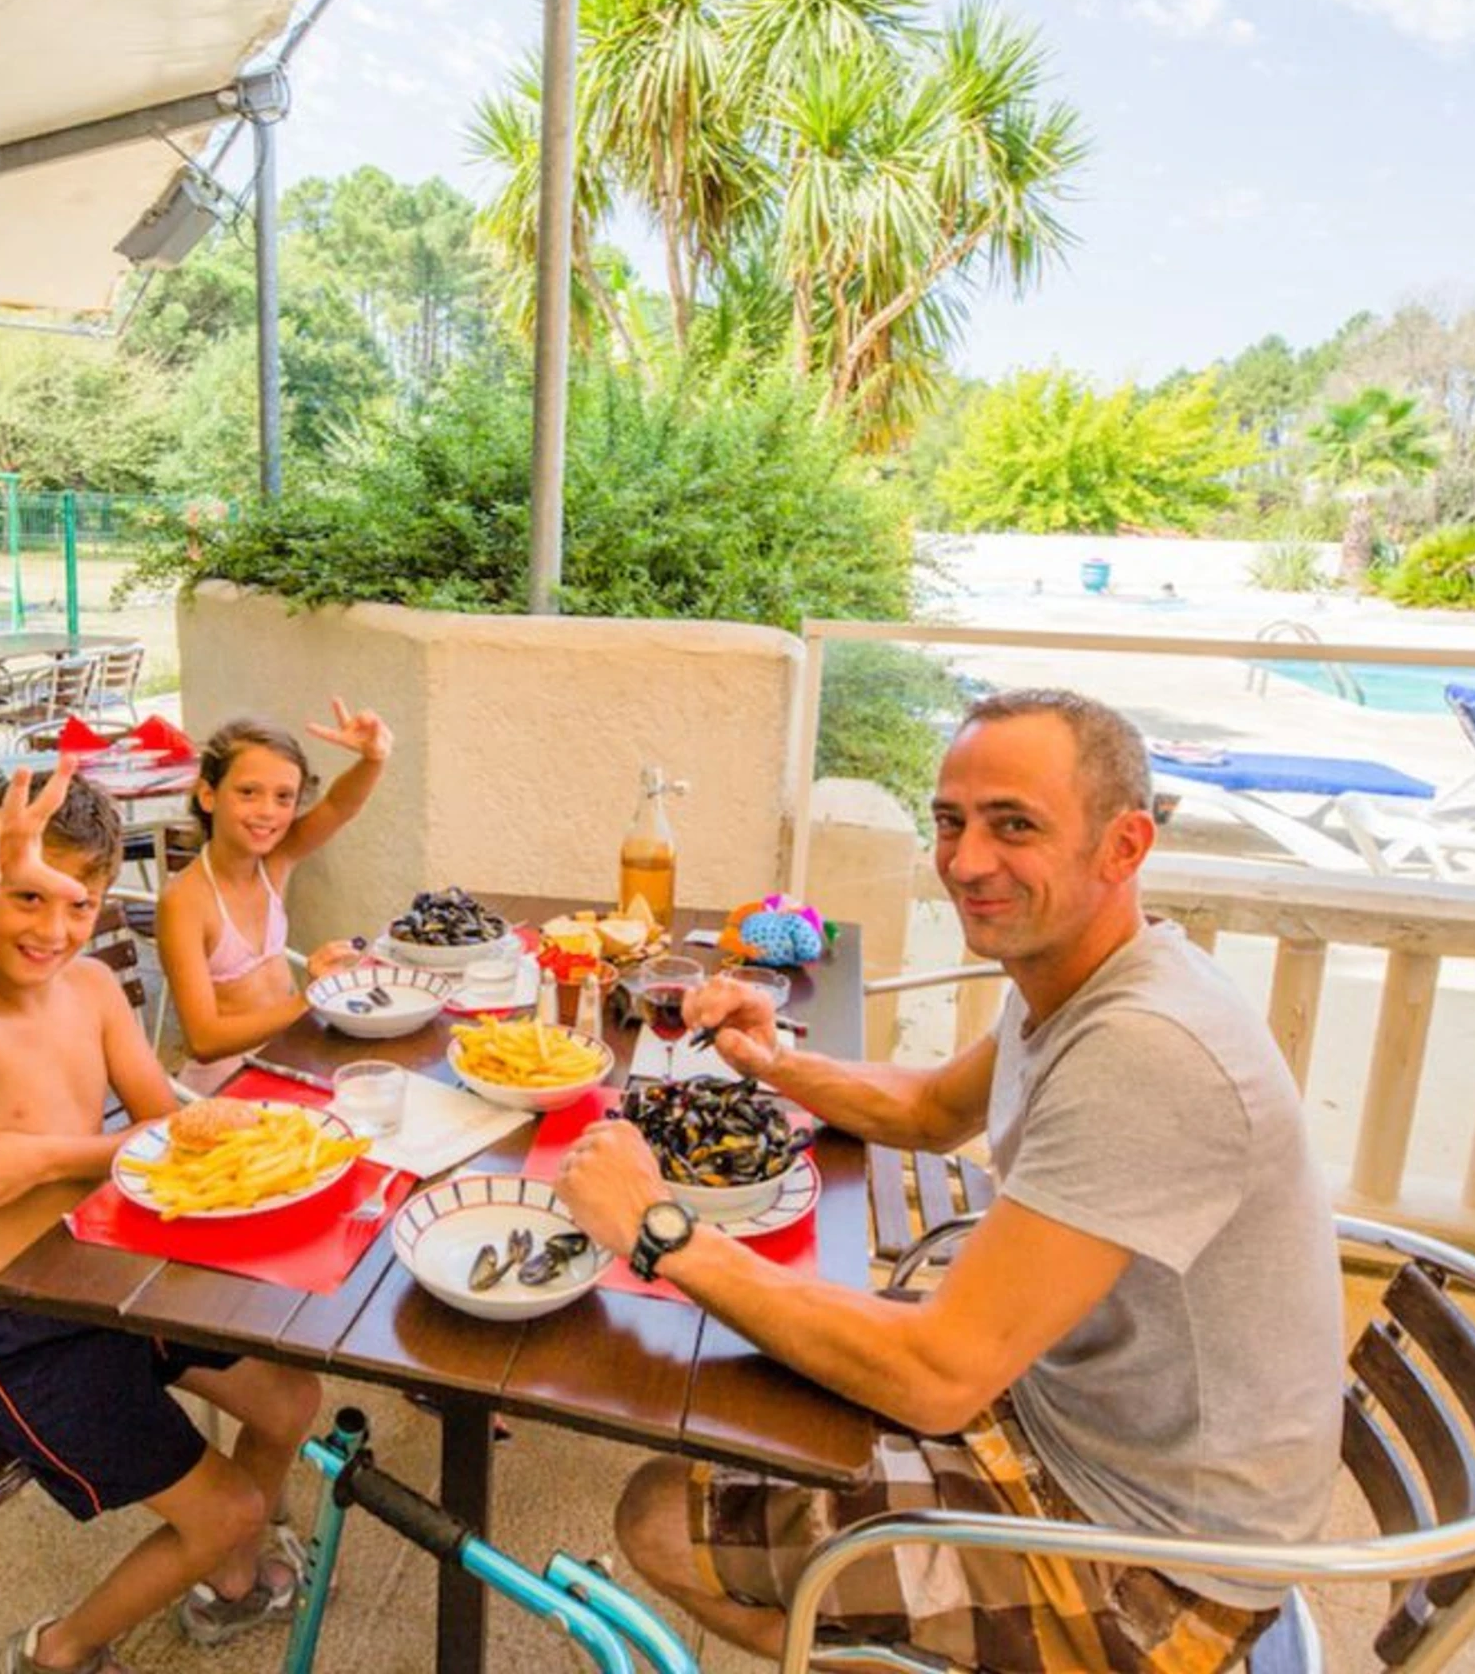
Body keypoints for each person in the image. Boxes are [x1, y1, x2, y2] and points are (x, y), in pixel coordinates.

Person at [556, 688, 1342, 1673]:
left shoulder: (1145, 1049)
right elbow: (929, 1109)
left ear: (1125, 846)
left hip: (1150, 1570)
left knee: (660, 1515)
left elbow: (938, 1377)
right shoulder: (1092, 972)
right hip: (1064, 1417)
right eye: (951, 821)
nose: (966, 862)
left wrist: (660, 1230)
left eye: (1014, 826)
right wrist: (775, 1061)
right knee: (740, 1371)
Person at [0, 764, 320, 1673]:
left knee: (292, 1399)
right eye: (25, 896)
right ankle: (58, 1651)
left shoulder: (94, 991)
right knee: (228, 1506)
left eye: (79, 905)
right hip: (14, 1327)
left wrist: (51, 1157)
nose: (53, 930)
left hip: (111, 1273)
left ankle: (231, 1574)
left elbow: (167, 1131)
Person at [154, 704, 390, 1087]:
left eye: (284, 797)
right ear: (208, 796)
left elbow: (338, 805)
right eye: (248, 793)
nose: (267, 811)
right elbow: (203, 1040)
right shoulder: (184, 901)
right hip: (231, 1084)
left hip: (290, 1058)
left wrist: (373, 759)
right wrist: (308, 1000)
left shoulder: (274, 861)